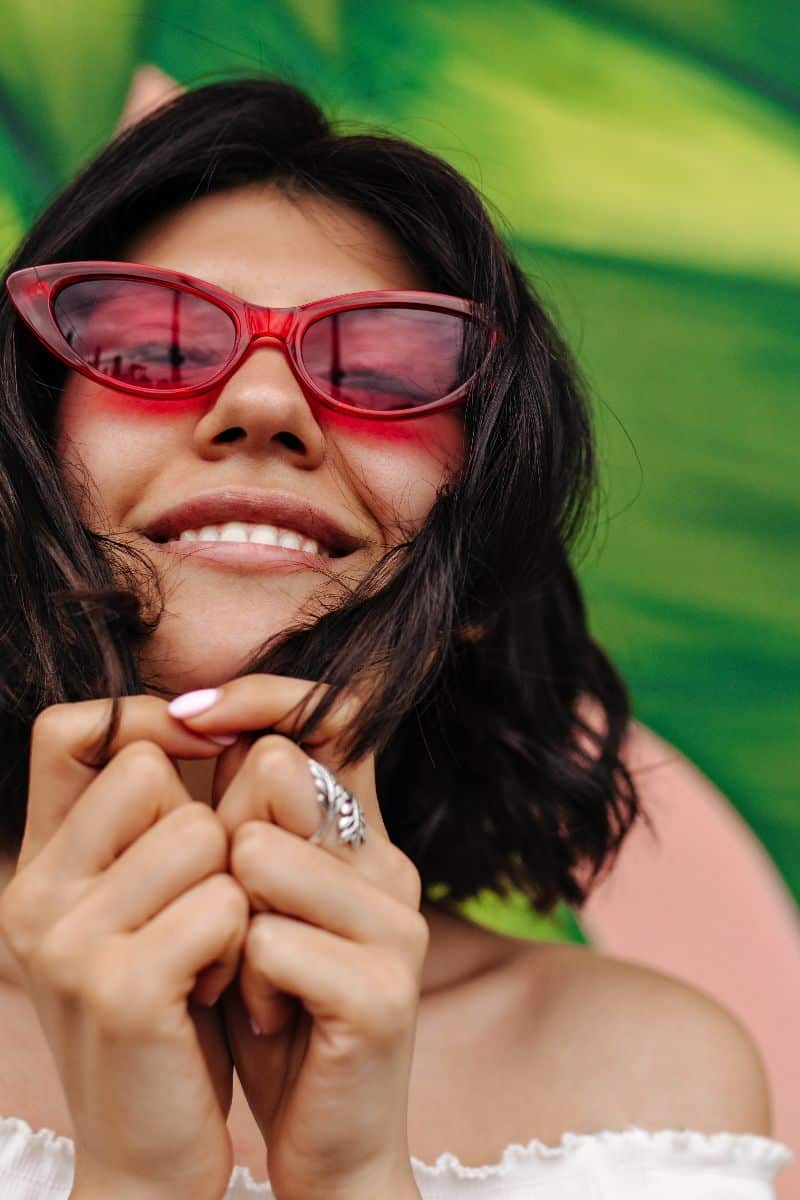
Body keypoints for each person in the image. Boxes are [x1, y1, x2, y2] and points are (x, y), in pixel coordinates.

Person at [0, 76, 792, 1200]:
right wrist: (136, 1174)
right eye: (151, 342)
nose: (264, 404)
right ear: (18, 480)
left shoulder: (649, 1077)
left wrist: (352, 1174)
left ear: (476, 557)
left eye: (382, 368)